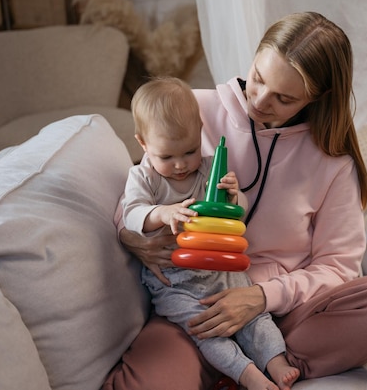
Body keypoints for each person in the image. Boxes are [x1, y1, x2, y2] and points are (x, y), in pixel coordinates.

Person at [104, 12, 367, 390]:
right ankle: (238, 367)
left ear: (317, 98)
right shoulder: (189, 110)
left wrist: (261, 297)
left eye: (284, 98)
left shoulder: (332, 162)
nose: (260, 100)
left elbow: (339, 267)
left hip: (286, 314)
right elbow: (136, 193)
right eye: (259, 78)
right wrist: (132, 238)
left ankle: (263, 365)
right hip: (197, 309)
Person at [120, 76, 300, 390]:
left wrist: (235, 197)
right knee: (205, 330)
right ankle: (249, 375)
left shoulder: (207, 169)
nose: (180, 165)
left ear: (200, 133)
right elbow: (130, 213)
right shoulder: (143, 176)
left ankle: (277, 362)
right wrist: (163, 213)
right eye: (167, 157)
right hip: (174, 281)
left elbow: (238, 212)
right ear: (143, 143)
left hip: (219, 267)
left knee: (255, 319)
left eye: (188, 152)